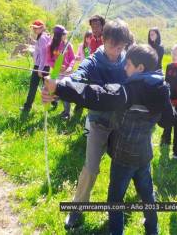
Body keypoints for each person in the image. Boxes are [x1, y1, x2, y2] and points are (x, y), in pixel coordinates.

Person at [42, 44, 173, 235]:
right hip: (144, 155)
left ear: (140, 68)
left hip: (123, 157)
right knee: (147, 193)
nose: (124, 68)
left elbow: (97, 95)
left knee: (115, 199)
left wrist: (60, 88)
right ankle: (153, 229)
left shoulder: (130, 90)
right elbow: (167, 121)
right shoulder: (161, 87)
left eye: (128, 65)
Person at [54, 19, 131, 229]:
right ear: (103, 40)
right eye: (113, 45)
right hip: (97, 121)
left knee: (126, 165)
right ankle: (77, 209)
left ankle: (128, 202)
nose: (117, 51)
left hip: (122, 123)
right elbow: (76, 77)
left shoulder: (128, 61)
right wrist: (58, 85)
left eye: (122, 46)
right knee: (91, 167)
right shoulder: (93, 61)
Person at [161, 43, 177, 160]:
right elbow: (166, 83)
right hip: (168, 101)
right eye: (173, 53)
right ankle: (165, 140)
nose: (175, 56)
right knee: (167, 122)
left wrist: (175, 102)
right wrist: (167, 99)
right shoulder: (169, 66)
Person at [21, 19, 51, 113]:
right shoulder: (43, 36)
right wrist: (33, 42)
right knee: (47, 86)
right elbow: (41, 49)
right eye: (33, 27)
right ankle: (54, 102)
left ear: (42, 28)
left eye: (36, 28)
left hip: (40, 67)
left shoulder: (41, 38)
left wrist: (40, 69)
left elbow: (43, 54)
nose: (34, 29)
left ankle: (27, 107)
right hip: (44, 66)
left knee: (33, 86)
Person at [46, 25, 75, 119]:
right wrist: (57, 67)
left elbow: (72, 58)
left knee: (65, 91)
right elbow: (49, 60)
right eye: (63, 34)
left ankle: (67, 113)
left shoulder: (68, 45)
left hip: (66, 73)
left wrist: (70, 68)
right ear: (58, 35)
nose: (65, 35)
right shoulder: (50, 46)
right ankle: (56, 100)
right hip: (55, 72)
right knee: (52, 90)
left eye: (66, 33)